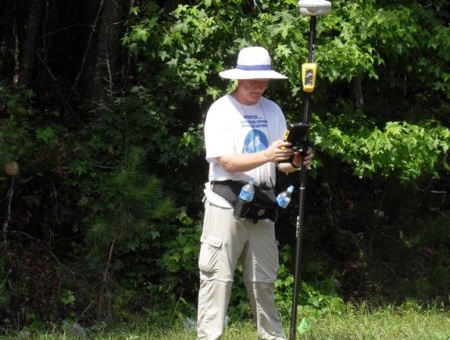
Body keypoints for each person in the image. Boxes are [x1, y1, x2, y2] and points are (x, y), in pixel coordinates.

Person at [197, 46, 313, 340]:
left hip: (263, 204)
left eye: (263, 80)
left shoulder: (273, 110)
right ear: (238, 78)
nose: (259, 86)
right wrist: (268, 155)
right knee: (217, 279)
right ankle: (209, 336)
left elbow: (282, 163)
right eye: (252, 80)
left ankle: (272, 337)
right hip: (225, 203)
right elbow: (227, 161)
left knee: (263, 280)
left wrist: (298, 160)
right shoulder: (221, 110)